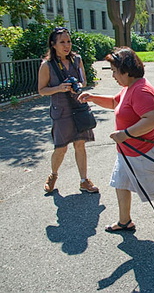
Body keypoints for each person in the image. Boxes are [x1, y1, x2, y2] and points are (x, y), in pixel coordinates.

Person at [78, 47, 154, 233]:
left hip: (141, 153)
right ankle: (125, 221)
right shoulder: (129, 87)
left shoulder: (141, 90)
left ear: (126, 70)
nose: (113, 76)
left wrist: (124, 134)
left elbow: (152, 119)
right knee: (120, 183)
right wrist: (93, 98)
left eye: (114, 71)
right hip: (128, 151)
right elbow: (114, 102)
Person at [38, 27, 99, 194]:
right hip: (61, 111)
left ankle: (84, 181)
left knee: (80, 144)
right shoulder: (47, 65)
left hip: (79, 107)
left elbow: (84, 80)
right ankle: (53, 175)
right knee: (61, 147)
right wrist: (58, 88)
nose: (67, 45)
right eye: (62, 42)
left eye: (69, 41)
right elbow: (42, 90)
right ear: (53, 45)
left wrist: (77, 86)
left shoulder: (76, 60)